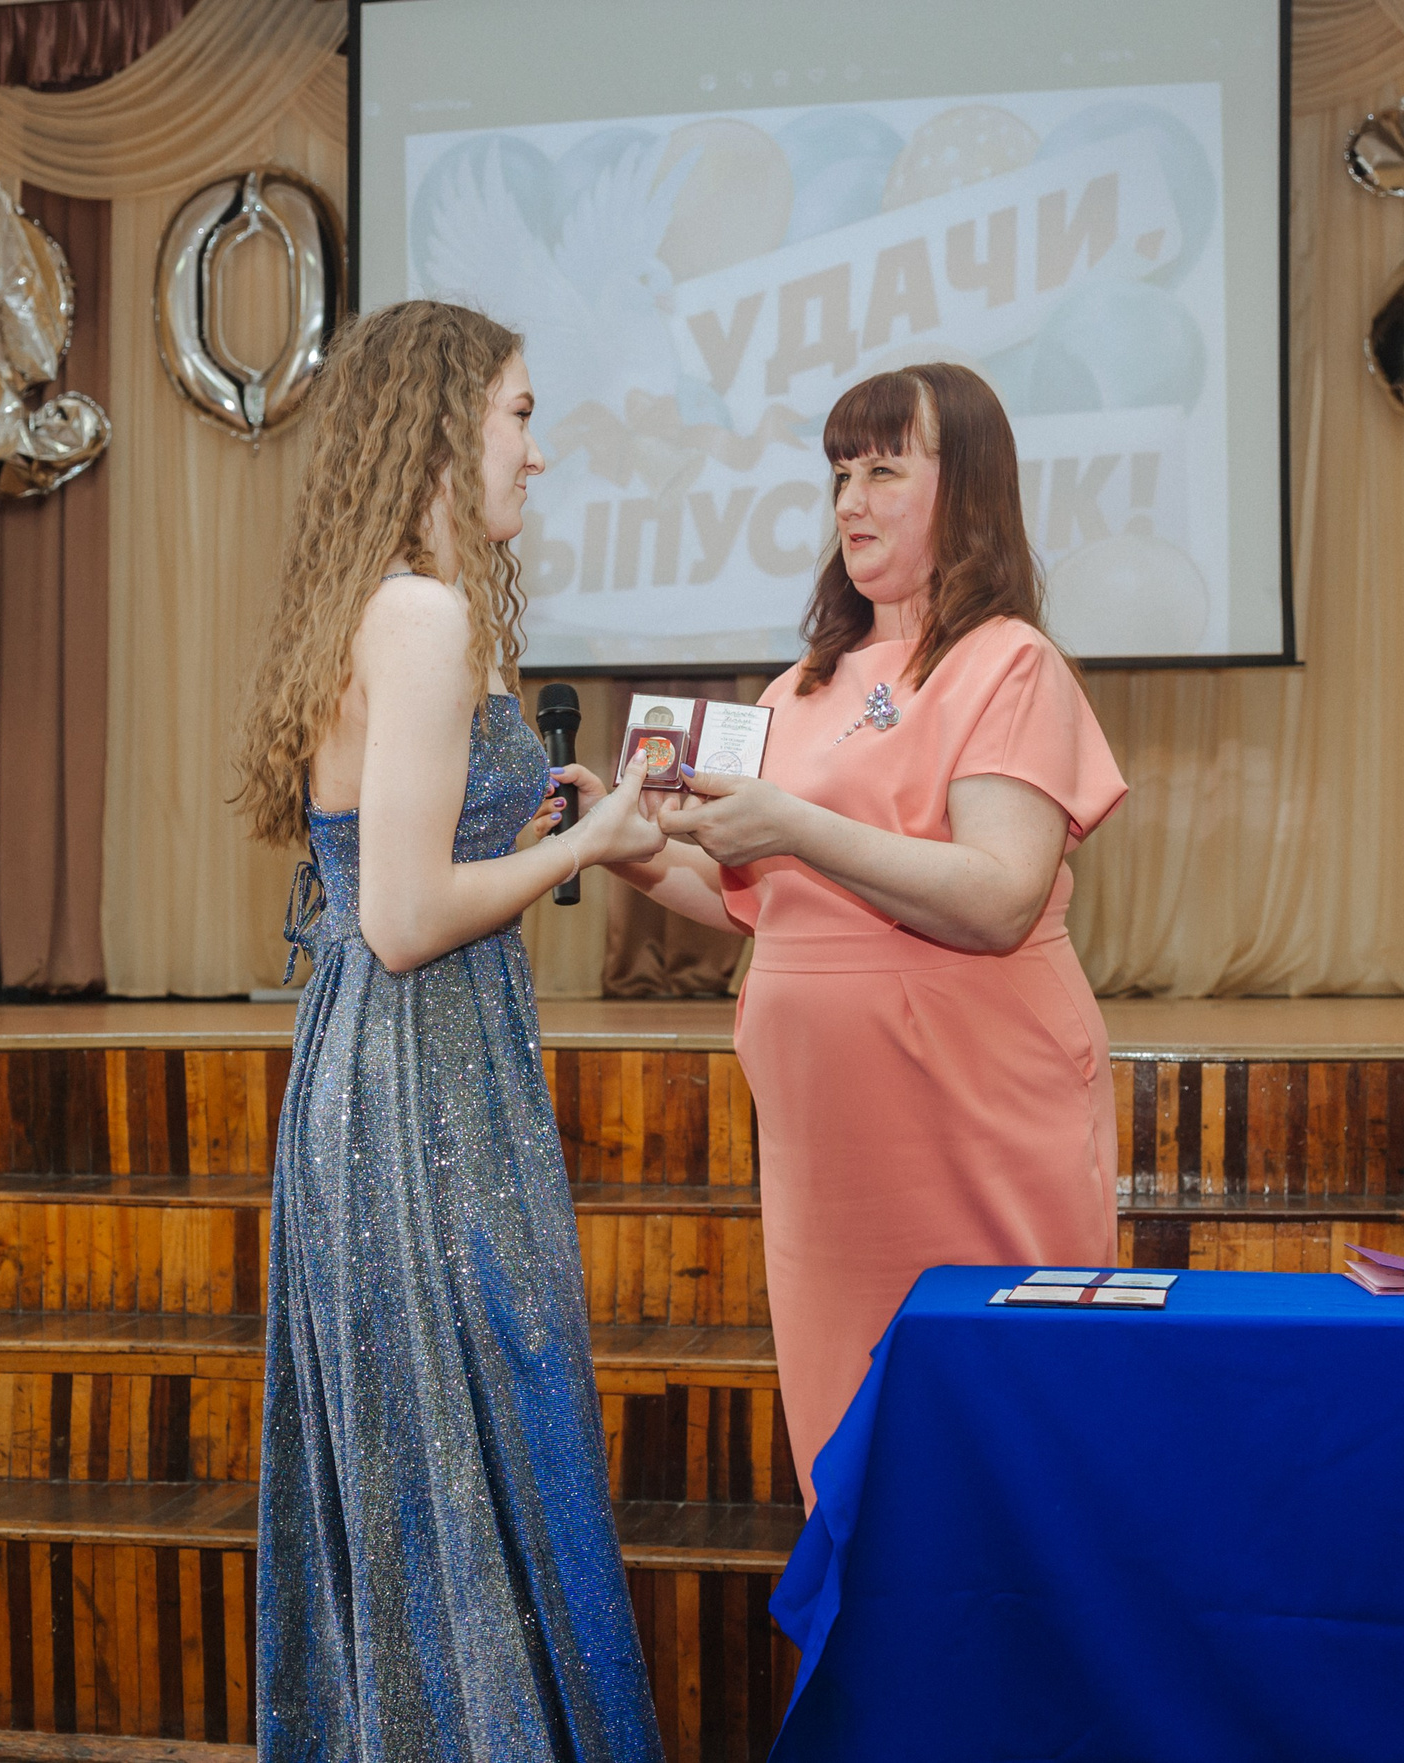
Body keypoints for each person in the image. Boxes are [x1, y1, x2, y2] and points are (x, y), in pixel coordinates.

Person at [233, 300, 668, 1761]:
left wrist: (524, 816)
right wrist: (591, 841)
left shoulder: (398, 601)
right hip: (418, 1076)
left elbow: (388, 859)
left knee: (465, 1438)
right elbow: (408, 916)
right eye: (520, 414)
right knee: (455, 1438)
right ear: (441, 424)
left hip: (409, 1059)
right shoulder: (417, 615)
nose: (535, 454)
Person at [594, 361, 1129, 1507]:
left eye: (886, 467)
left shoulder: (1009, 661)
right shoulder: (796, 687)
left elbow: (996, 894)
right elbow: (755, 895)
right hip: (826, 1147)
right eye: (840, 470)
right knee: (856, 1447)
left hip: (975, 1112)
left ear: (968, 487)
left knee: (1008, 1428)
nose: (851, 498)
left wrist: (794, 820)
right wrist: (626, 843)